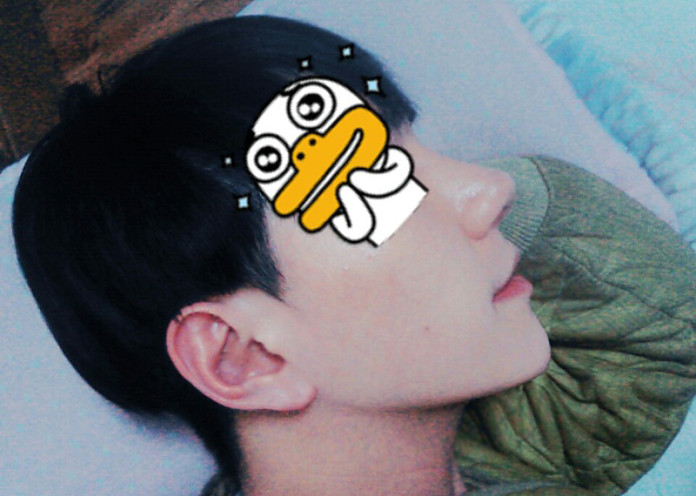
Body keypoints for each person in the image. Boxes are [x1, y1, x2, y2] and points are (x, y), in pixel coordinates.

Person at [12, 15, 696, 496]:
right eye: (377, 183)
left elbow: (660, 339)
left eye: (423, 152)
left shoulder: (528, 450)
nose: (493, 188)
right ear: (245, 356)